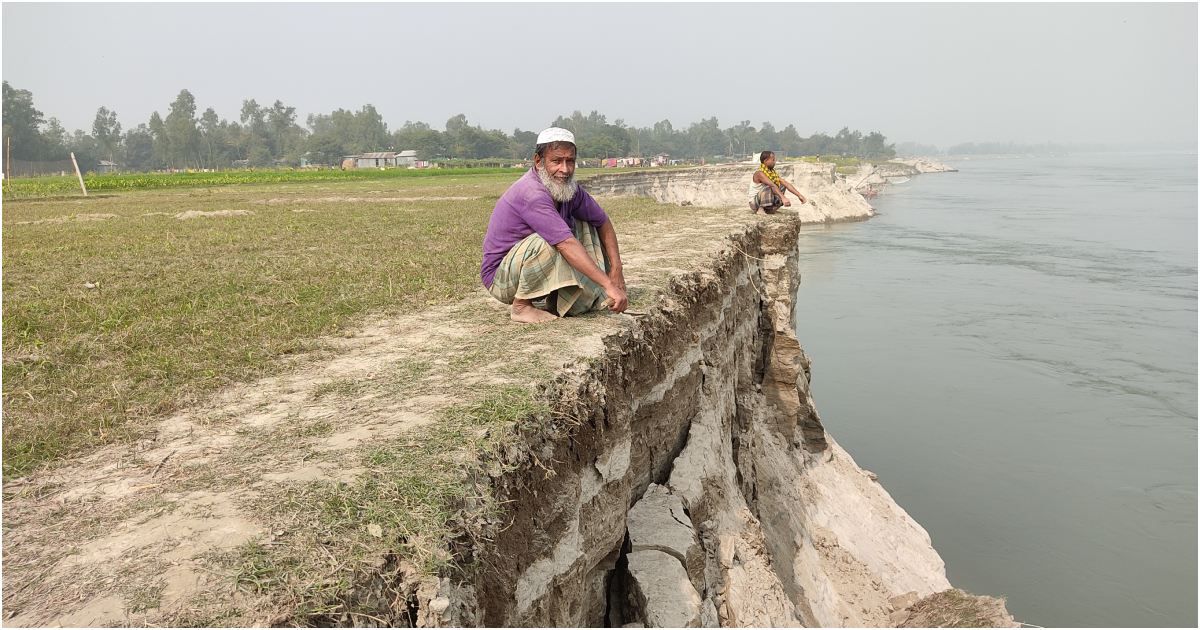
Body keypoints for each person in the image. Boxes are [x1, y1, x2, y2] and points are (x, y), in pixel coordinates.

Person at [481, 127, 629, 324]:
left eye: (570, 161)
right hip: (501, 278)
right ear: (538, 161)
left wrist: (616, 270)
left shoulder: (569, 190)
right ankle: (521, 306)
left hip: (530, 268)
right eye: (556, 161)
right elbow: (565, 243)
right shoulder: (532, 192)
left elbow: (603, 221)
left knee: (587, 224)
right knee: (551, 239)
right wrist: (608, 284)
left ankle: (566, 297)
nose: (565, 169)